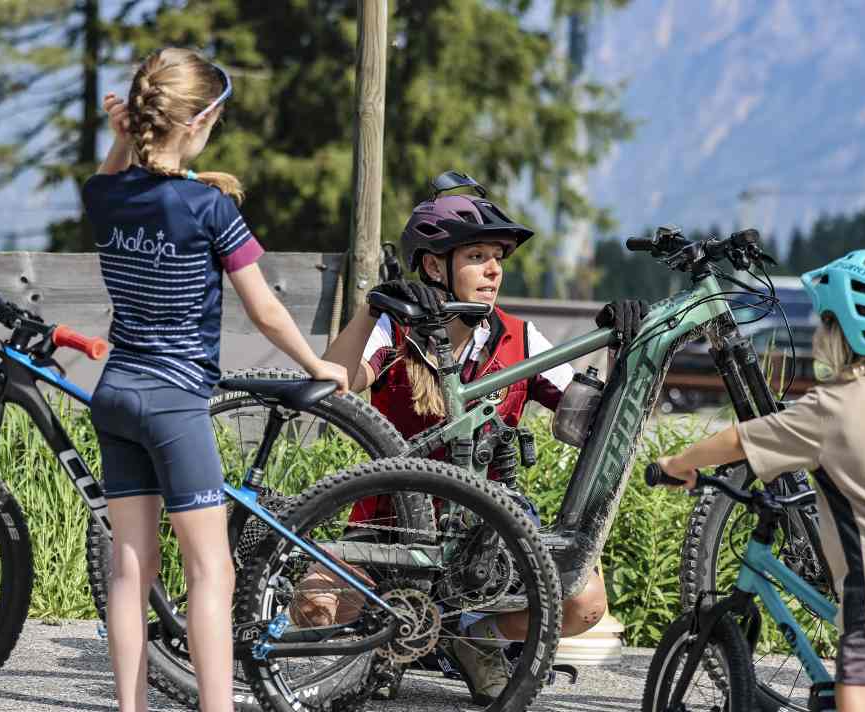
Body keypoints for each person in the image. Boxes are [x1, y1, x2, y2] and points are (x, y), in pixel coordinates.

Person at [82, 48, 347, 712]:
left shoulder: (105, 193)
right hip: (174, 401)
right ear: (200, 122)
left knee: (129, 568)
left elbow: (107, 180)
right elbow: (264, 308)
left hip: (115, 392)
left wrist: (120, 144)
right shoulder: (207, 207)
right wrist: (317, 362)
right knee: (211, 569)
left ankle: (130, 707)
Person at [319, 183, 647, 705]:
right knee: (314, 602)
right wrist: (371, 308)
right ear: (433, 267)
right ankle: (381, 645)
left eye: (498, 258)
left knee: (583, 603)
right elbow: (333, 380)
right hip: (392, 521)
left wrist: (626, 350)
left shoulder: (519, 337)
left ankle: (476, 643)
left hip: (485, 534)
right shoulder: (395, 329)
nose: (495, 270)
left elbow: (588, 423)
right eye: (477, 257)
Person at [657, 250, 865, 712]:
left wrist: (679, 463)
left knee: (856, 698)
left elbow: (736, 441)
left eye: (825, 322)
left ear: (838, 334)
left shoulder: (830, 407)